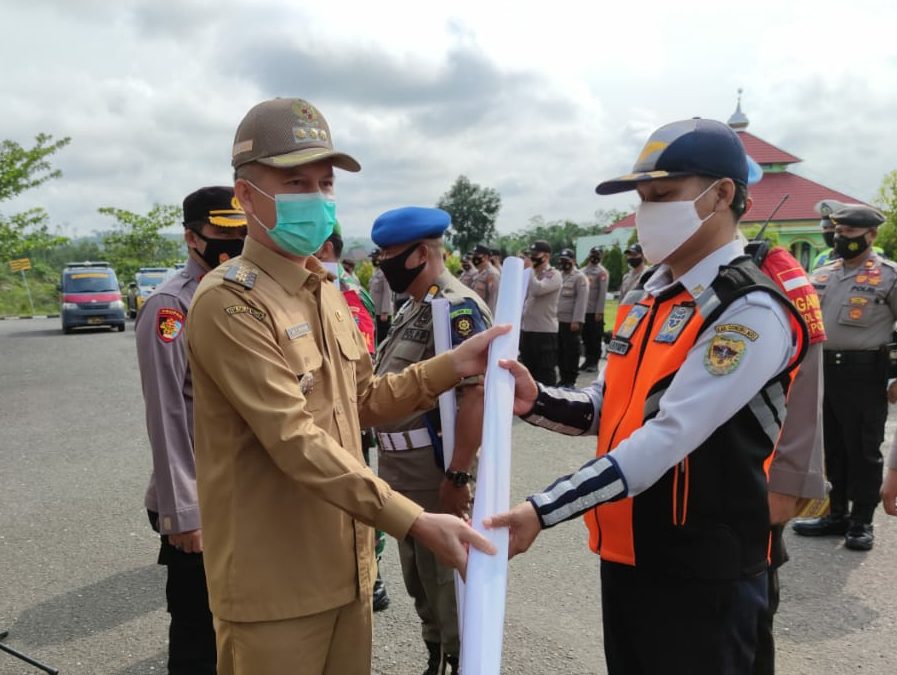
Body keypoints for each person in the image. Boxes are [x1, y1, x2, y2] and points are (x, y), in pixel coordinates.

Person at [186, 97, 500, 675]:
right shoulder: (231, 302)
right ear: (247, 198)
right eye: (296, 180)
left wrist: (454, 364)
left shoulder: (324, 290)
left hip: (347, 571)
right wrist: (414, 519)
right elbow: (294, 439)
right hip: (275, 587)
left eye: (325, 183)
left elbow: (362, 402)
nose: (317, 197)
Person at [485, 118, 809, 674]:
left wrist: (542, 510)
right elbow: (611, 405)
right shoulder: (652, 295)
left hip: (708, 572)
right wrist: (534, 399)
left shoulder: (749, 308)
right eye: (642, 199)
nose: (646, 213)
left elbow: (665, 437)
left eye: (662, 196)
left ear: (721, 195)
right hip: (633, 555)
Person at [371, 206, 492, 675]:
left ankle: (462, 662)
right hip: (402, 475)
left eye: (390, 255)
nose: (382, 263)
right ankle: (436, 658)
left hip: (436, 473)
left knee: (447, 586)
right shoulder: (414, 307)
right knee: (420, 582)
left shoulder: (457, 308)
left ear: (422, 253)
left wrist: (459, 474)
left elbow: (474, 395)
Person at [136, 185, 247, 675]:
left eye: (242, 232)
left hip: (246, 493)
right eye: (222, 234)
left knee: (243, 623)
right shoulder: (169, 306)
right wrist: (185, 513)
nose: (235, 242)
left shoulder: (244, 292)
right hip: (200, 501)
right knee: (198, 633)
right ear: (191, 238)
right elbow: (167, 414)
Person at [793, 204, 897, 551]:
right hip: (823, 370)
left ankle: (862, 522)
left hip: (865, 372)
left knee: (863, 450)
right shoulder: (822, 273)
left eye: (849, 233)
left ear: (871, 235)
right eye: (838, 232)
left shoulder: (889, 276)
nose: (840, 238)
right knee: (832, 447)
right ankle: (836, 514)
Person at [316, 226, 390, 611]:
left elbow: (359, 361)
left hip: (348, 417)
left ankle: (372, 574)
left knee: (359, 493)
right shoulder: (318, 287)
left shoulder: (344, 292)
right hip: (321, 419)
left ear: (327, 247)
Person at [520, 239, 562, 386]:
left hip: (544, 331)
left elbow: (538, 290)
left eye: (536, 254)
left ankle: (548, 402)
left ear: (547, 256)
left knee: (544, 371)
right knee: (528, 369)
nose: (532, 257)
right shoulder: (531, 274)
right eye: (531, 254)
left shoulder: (553, 274)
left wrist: (529, 270)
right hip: (528, 329)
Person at [556, 247, 588, 387]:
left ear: (573, 261)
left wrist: (577, 320)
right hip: (558, 321)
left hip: (571, 321)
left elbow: (581, 300)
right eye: (562, 261)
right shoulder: (558, 275)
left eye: (567, 261)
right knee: (560, 351)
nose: (564, 263)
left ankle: (570, 380)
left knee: (571, 351)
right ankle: (563, 378)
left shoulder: (579, 277)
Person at [580, 245, 608, 372]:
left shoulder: (601, 272)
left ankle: (594, 362)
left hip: (594, 311)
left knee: (594, 338)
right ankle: (587, 360)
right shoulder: (582, 271)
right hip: (583, 311)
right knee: (585, 337)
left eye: (597, 254)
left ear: (601, 256)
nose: (594, 257)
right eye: (593, 254)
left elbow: (602, 294)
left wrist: (599, 311)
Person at [368, 248, 393, 344]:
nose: (373, 260)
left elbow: (387, 291)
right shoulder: (377, 271)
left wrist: (385, 311)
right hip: (376, 310)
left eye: (374, 257)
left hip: (382, 312)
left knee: (383, 337)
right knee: (377, 337)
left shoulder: (385, 272)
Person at [469, 243, 501, 314]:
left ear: (486, 257)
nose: (474, 257)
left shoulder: (492, 274)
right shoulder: (478, 273)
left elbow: (493, 301)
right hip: (476, 313)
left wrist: (489, 320)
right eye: (474, 255)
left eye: (477, 255)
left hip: (484, 316)